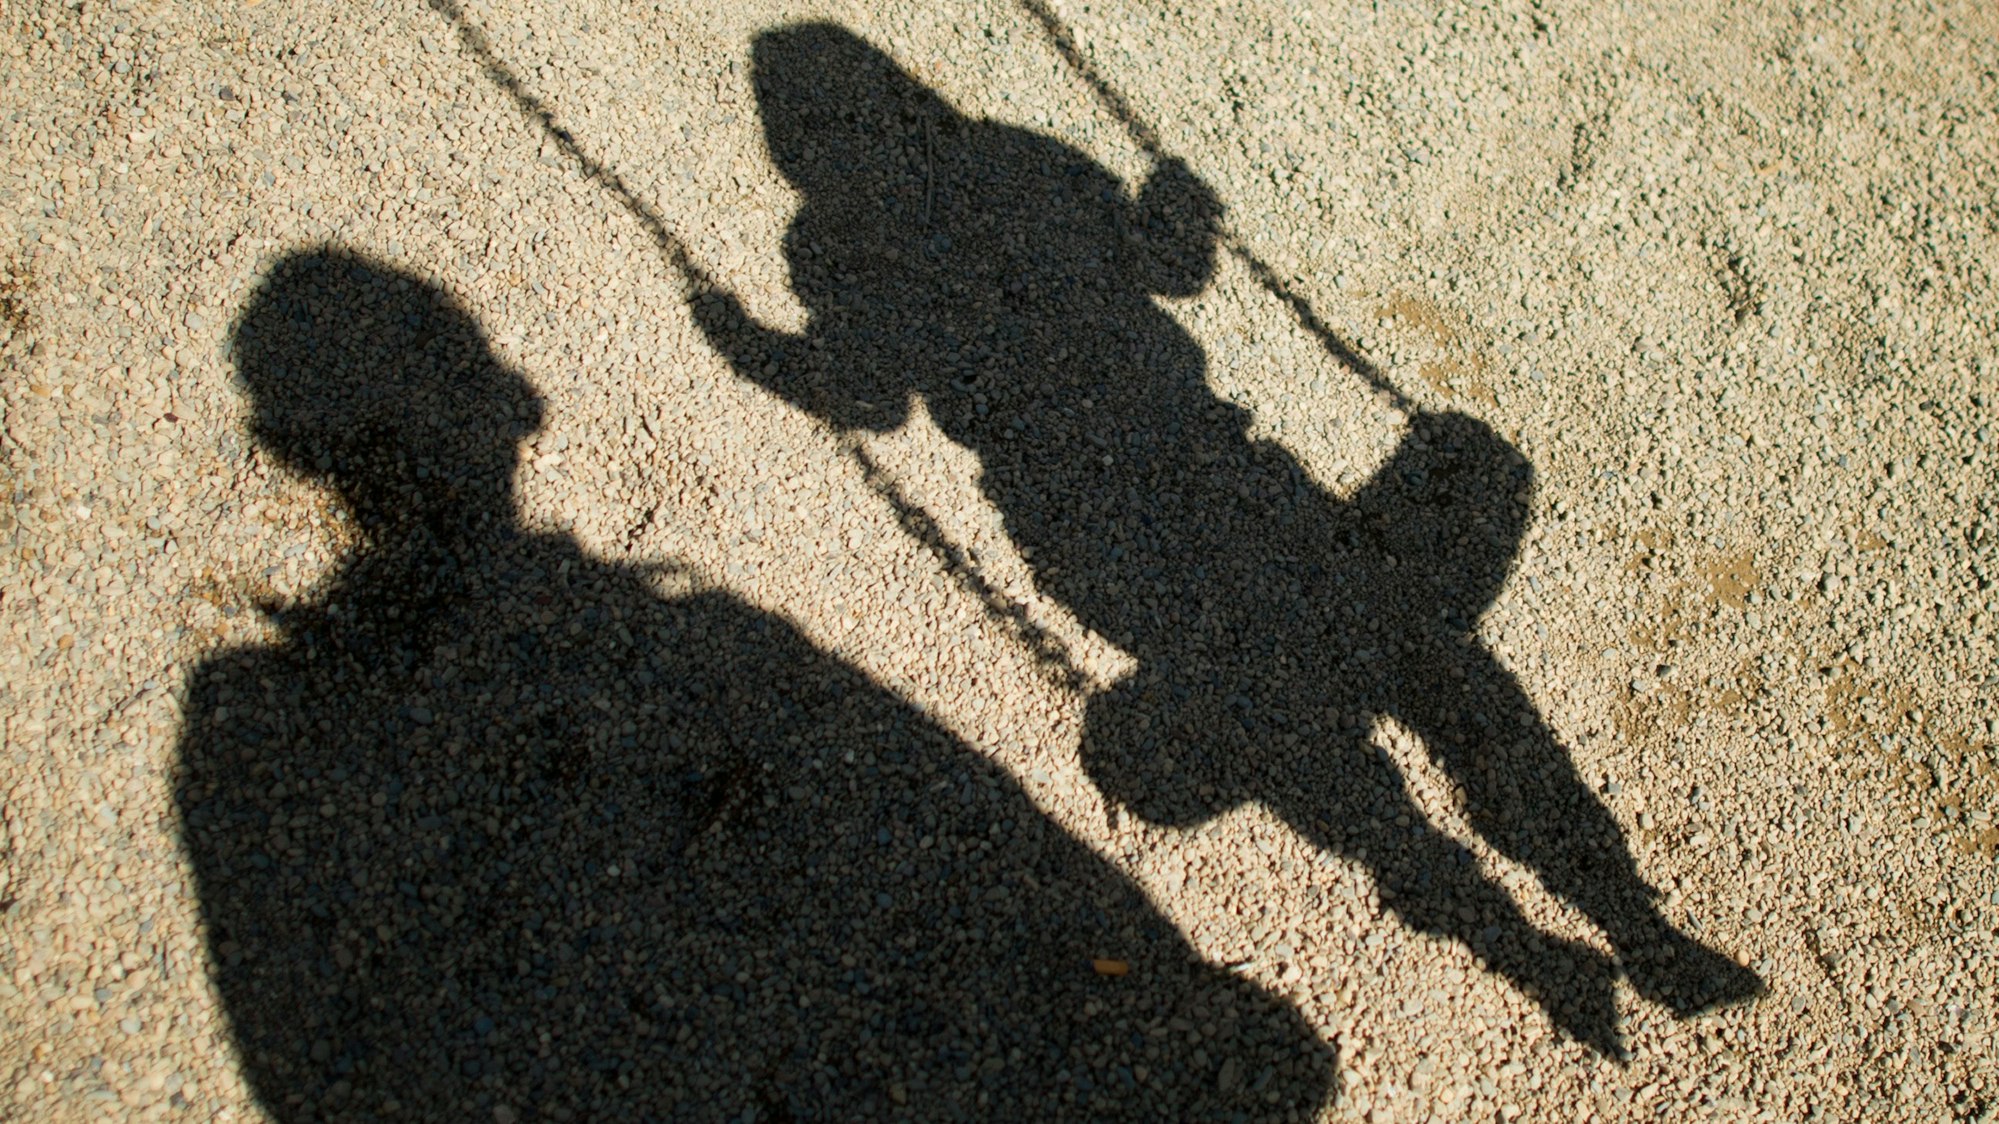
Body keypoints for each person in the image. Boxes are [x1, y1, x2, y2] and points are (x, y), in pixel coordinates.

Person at [689, 23, 1761, 1057]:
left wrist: (757, 351)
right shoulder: (1023, 159)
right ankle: (1632, 925)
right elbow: (1174, 270)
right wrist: (1177, 213)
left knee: (1313, 736)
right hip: (1230, 478)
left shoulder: (832, 242)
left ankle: (1528, 940)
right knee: (1431, 670)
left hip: (1096, 530)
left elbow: (872, 400)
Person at [176, 249, 1332, 1121]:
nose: (510, 394)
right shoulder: (248, 730)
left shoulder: (240, 737)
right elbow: (962, 796)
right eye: (485, 375)